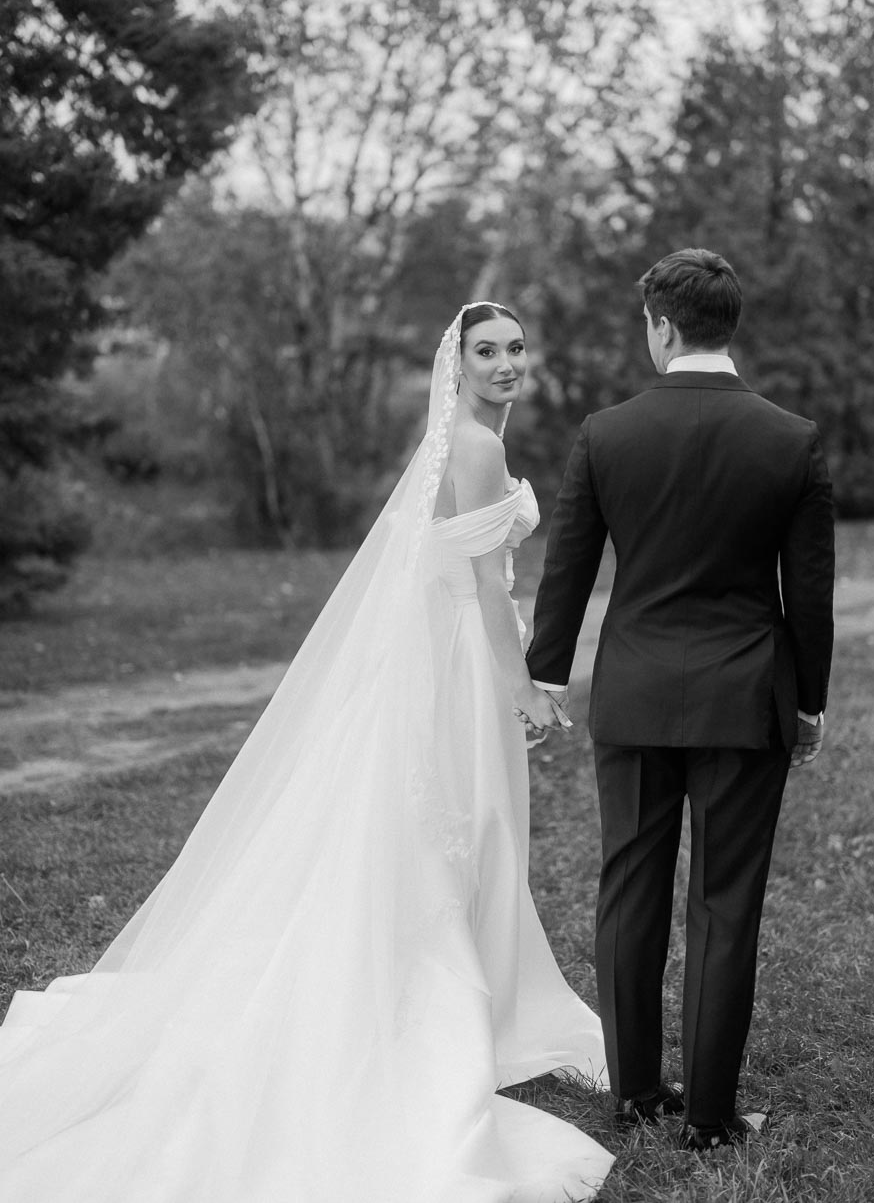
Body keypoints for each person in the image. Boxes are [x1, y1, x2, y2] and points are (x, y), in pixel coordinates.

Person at [0, 304, 614, 1202]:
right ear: (459, 362)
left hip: (438, 658)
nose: (507, 362)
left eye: (517, 347)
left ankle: (473, 984)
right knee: (467, 822)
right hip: (457, 664)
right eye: (488, 351)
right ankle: (451, 1001)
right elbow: (484, 585)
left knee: (446, 826)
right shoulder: (476, 449)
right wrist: (522, 687)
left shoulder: (461, 438)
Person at [526, 249, 835, 1150]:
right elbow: (807, 596)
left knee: (630, 887)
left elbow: (569, 569)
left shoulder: (606, 433)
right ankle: (707, 1115)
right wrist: (806, 703)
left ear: (661, 325)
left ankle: (633, 1096)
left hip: (633, 693)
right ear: (728, 326)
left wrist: (548, 674)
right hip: (746, 701)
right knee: (725, 902)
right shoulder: (791, 438)